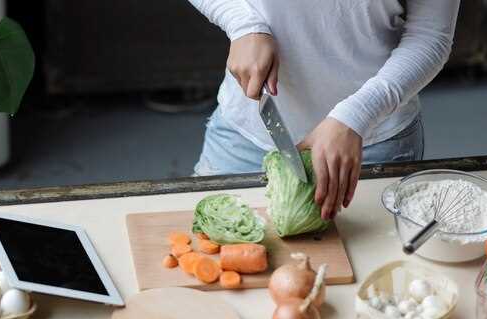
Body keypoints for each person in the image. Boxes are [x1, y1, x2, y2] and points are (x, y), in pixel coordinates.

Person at [188, 0, 460, 220]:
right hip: (244, 134)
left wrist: (357, 115)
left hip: (367, 143)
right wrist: (242, 23)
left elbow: (431, 36)